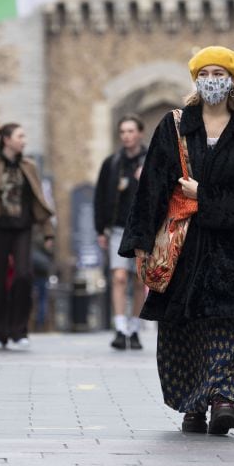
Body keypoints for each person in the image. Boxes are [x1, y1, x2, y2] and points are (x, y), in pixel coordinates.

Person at [119, 45, 234, 436]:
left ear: (232, 81)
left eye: (219, 73)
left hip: (231, 250)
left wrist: (206, 196)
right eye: (205, 73)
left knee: (223, 324)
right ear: (195, 80)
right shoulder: (173, 127)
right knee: (182, 328)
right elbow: (152, 185)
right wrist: (139, 239)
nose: (212, 80)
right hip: (181, 249)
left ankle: (222, 398)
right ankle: (192, 405)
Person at [0, 123, 55, 350]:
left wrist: (47, 233)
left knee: (24, 276)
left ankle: (19, 330)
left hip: (22, 228)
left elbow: (38, 201)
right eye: (20, 136)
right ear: (6, 140)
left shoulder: (29, 166)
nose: (24, 140)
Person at [94, 114, 148, 350]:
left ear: (140, 133)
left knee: (138, 280)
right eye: (123, 132)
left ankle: (134, 328)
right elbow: (100, 196)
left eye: (131, 131)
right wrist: (100, 229)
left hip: (143, 228)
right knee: (118, 276)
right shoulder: (112, 163)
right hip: (117, 227)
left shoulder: (152, 160)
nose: (127, 136)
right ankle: (119, 327)